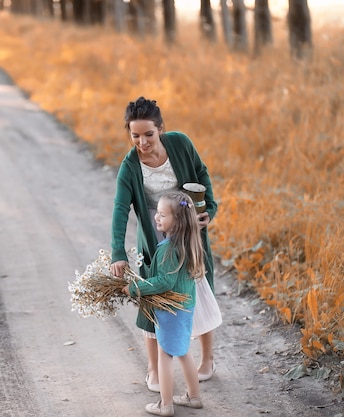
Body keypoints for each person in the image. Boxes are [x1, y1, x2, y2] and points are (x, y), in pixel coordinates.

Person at [109, 97, 218, 392]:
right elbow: (120, 210)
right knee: (153, 297)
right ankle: (153, 369)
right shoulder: (130, 168)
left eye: (148, 134)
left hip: (190, 232)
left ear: (160, 129)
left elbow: (202, 174)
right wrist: (118, 253)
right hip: (156, 236)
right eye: (135, 135)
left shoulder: (180, 144)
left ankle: (207, 359)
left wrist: (210, 207)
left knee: (198, 288)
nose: (142, 142)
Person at [122, 191, 205, 416]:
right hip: (185, 308)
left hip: (170, 310)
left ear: (176, 221)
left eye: (161, 215)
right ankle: (194, 397)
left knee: (165, 355)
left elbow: (164, 281)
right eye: (157, 213)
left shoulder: (168, 249)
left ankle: (165, 404)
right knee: (183, 351)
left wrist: (135, 288)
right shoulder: (187, 243)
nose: (156, 218)